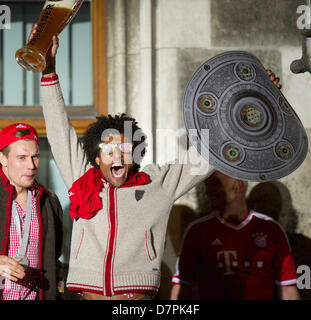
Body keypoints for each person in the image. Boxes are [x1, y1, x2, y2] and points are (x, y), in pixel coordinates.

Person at [33, 27, 281, 300]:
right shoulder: (81, 179)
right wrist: (49, 72)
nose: (117, 156)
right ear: (95, 158)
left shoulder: (157, 183)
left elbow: (208, 153)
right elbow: (59, 131)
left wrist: (254, 103)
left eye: (124, 148)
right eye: (108, 149)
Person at [170, 171, 300, 300]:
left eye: (215, 183)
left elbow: (287, 288)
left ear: (239, 185)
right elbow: (183, 286)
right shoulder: (197, 231)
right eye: (207, 184)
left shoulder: (272, 229)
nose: (208, 190)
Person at [0, 123, 63, 300]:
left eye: (35, 157)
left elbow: (54, 258)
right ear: (3, 159)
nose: (31, 165)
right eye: (21, 157)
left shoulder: (49, 201)